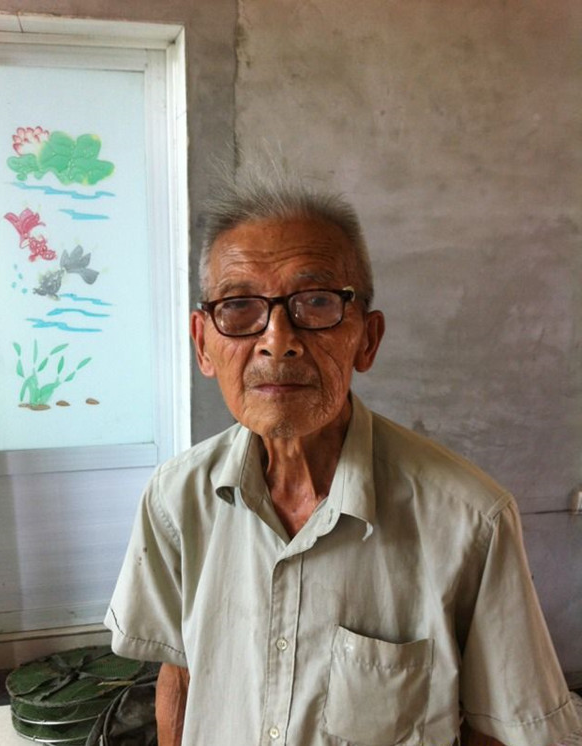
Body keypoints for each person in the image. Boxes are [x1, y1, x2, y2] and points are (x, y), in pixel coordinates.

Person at [104, 171, 580, 746]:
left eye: (316, 303)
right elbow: (178, 675)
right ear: (203, 344)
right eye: (239, 305)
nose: (277, 339)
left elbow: (499, 731)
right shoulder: (174, 499)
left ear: (367, 340)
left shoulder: (471, 520)